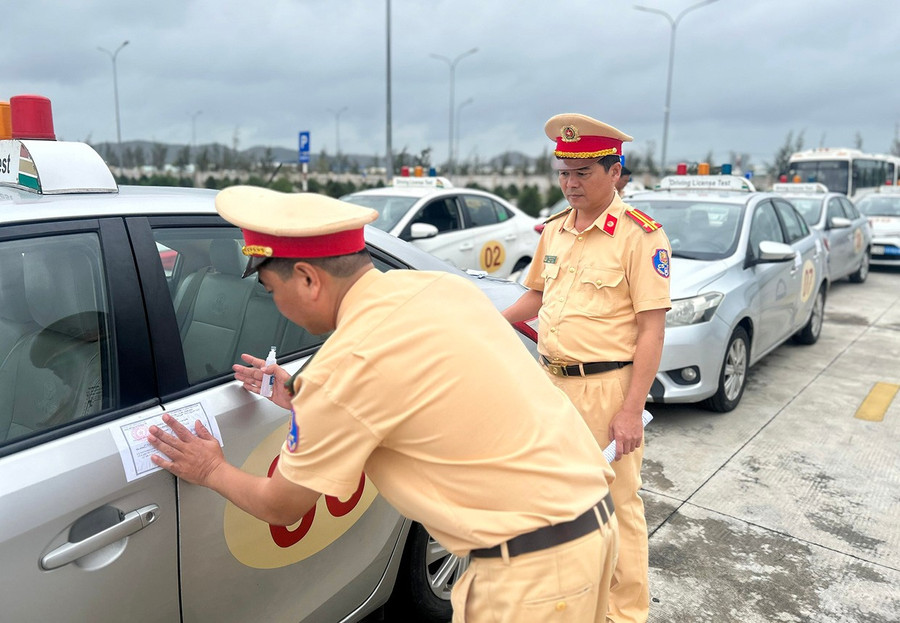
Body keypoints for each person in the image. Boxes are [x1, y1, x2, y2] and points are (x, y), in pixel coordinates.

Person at [147, 186, 620, 622]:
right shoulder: (441, 288)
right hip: (592, 524)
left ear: (309, 279)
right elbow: (417, 388)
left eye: (272, 291)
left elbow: (281, 506)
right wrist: (299, 397)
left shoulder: (344, 366)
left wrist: (210, 469)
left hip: (532, 577)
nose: (276, 306)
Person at [501, 113, 671, 623]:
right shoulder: (555, 230)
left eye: (583, 173)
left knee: (618, 505)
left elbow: (652, 330)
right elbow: (535, 295)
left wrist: (631, 408)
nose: (570, 184)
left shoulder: (640, 237)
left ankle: (624, 613)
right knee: (556, 497)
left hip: (606, 391)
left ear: (615, 172)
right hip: (549, 383)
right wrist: (486, 322)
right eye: (563, 173)